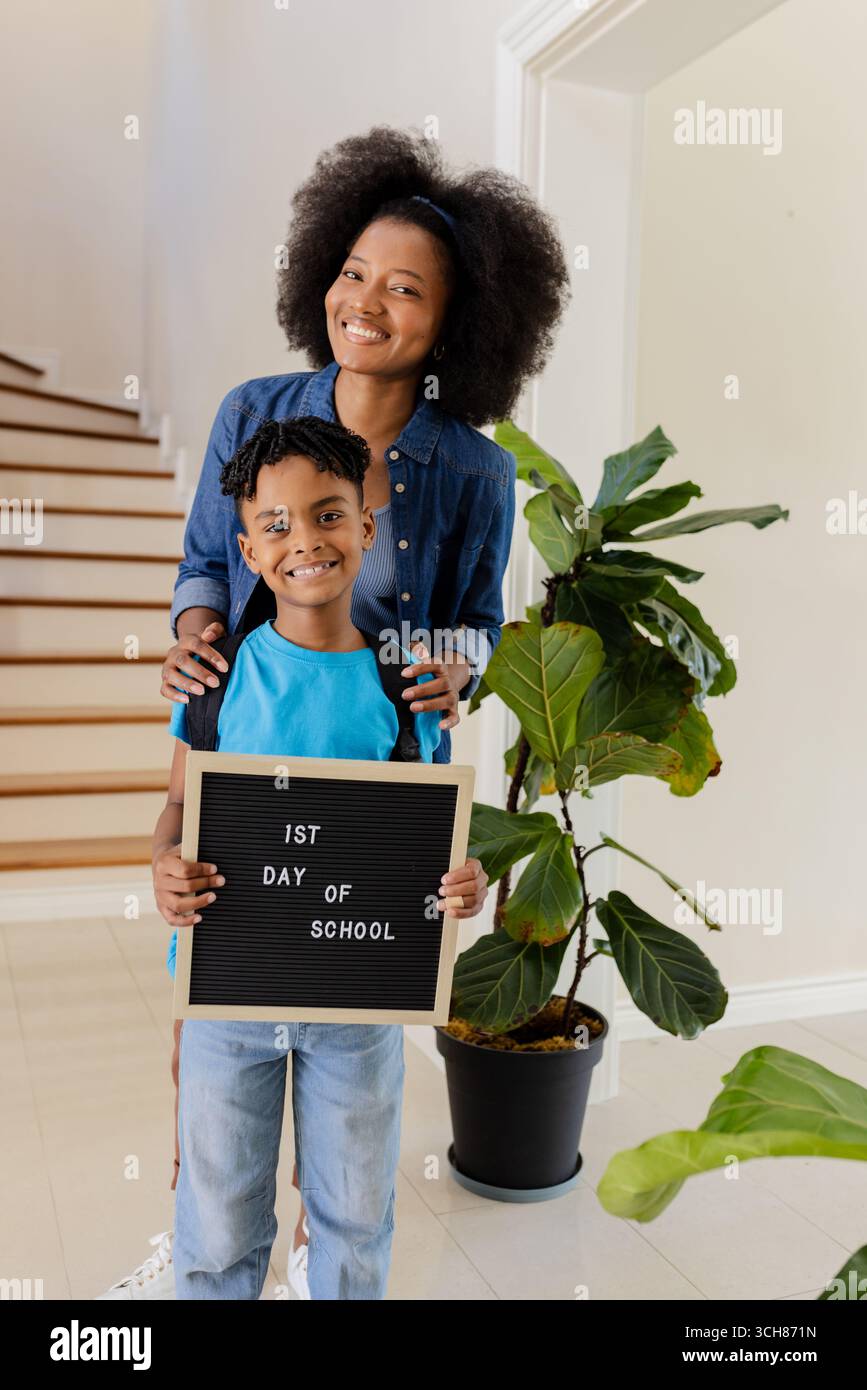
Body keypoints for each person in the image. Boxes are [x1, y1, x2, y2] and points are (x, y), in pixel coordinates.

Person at [99, 124, 568, 1299]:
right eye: (354, 271)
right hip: (251, 735)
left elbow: (474, 621)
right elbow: (206, 564)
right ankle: (209, 1236)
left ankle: (328, 1250)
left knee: (350, 1069)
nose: (369, 300)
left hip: (383, 756)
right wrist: (196, 638)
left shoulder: (474, 470)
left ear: (454, 323)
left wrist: (451, 670)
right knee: (217, 1032)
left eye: (407, 289)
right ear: (321, 274)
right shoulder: (255, 408)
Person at [167, 415, 488, 1299]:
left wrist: (464, 885)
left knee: (354, 1208)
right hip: (228, 997)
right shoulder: (218, 676)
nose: (304, 541)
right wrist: (165, 867)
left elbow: (433, 842)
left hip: (358, 1010)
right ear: (246, 547)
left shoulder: (406, 688)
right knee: (220, 1209)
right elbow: (176, 811)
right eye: (275, 525)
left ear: (366, 526)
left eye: (327, 515)